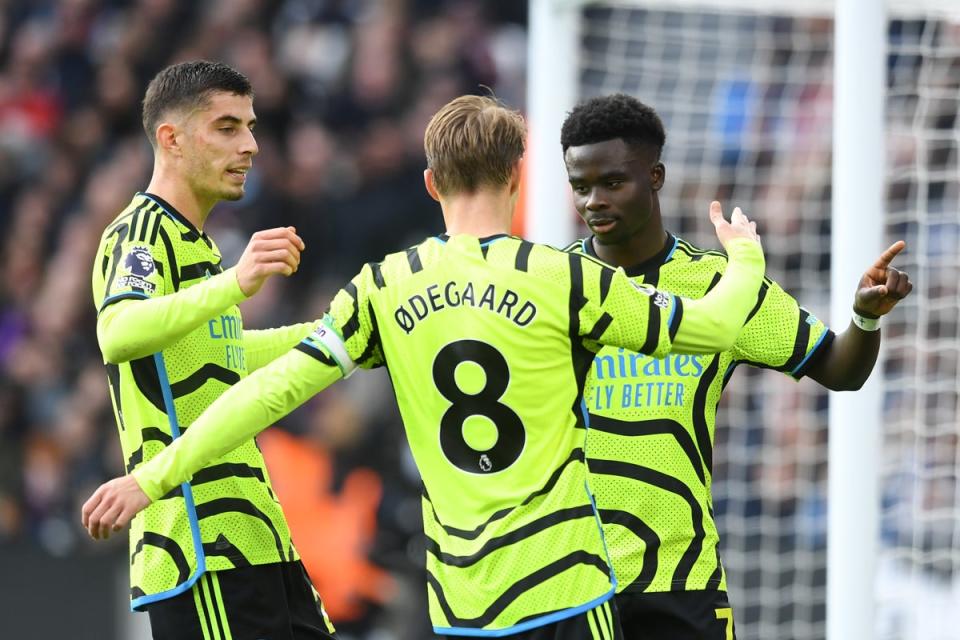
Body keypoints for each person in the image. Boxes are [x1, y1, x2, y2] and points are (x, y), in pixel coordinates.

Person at [84, 94, 767, 639]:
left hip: (463, 602)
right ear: (515, 175)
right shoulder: (563, 278)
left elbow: (272, 388)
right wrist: (744, 260)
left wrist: (152, 477)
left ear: (431, 183)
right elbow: (714, 326)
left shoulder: (385, 285)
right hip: (565, 583)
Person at [559, 93, 913, 639]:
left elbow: (841, 369)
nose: (594, 201)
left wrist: (864, 317)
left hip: (683, 580)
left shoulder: (719, 286)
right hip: (575, 581)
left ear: (655, 176)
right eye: (581, 186)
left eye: (612, 182)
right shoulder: (554, 286)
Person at [89, 60, 336, 639]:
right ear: (171, 140)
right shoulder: (142, 231)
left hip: (255, 535)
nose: (250, 144)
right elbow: (117, 332)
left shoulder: (195, 241)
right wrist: (236, 283)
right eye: (227, 127)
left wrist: (342, 333)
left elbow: (222, 357)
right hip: (201, 544)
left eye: (250, 127)